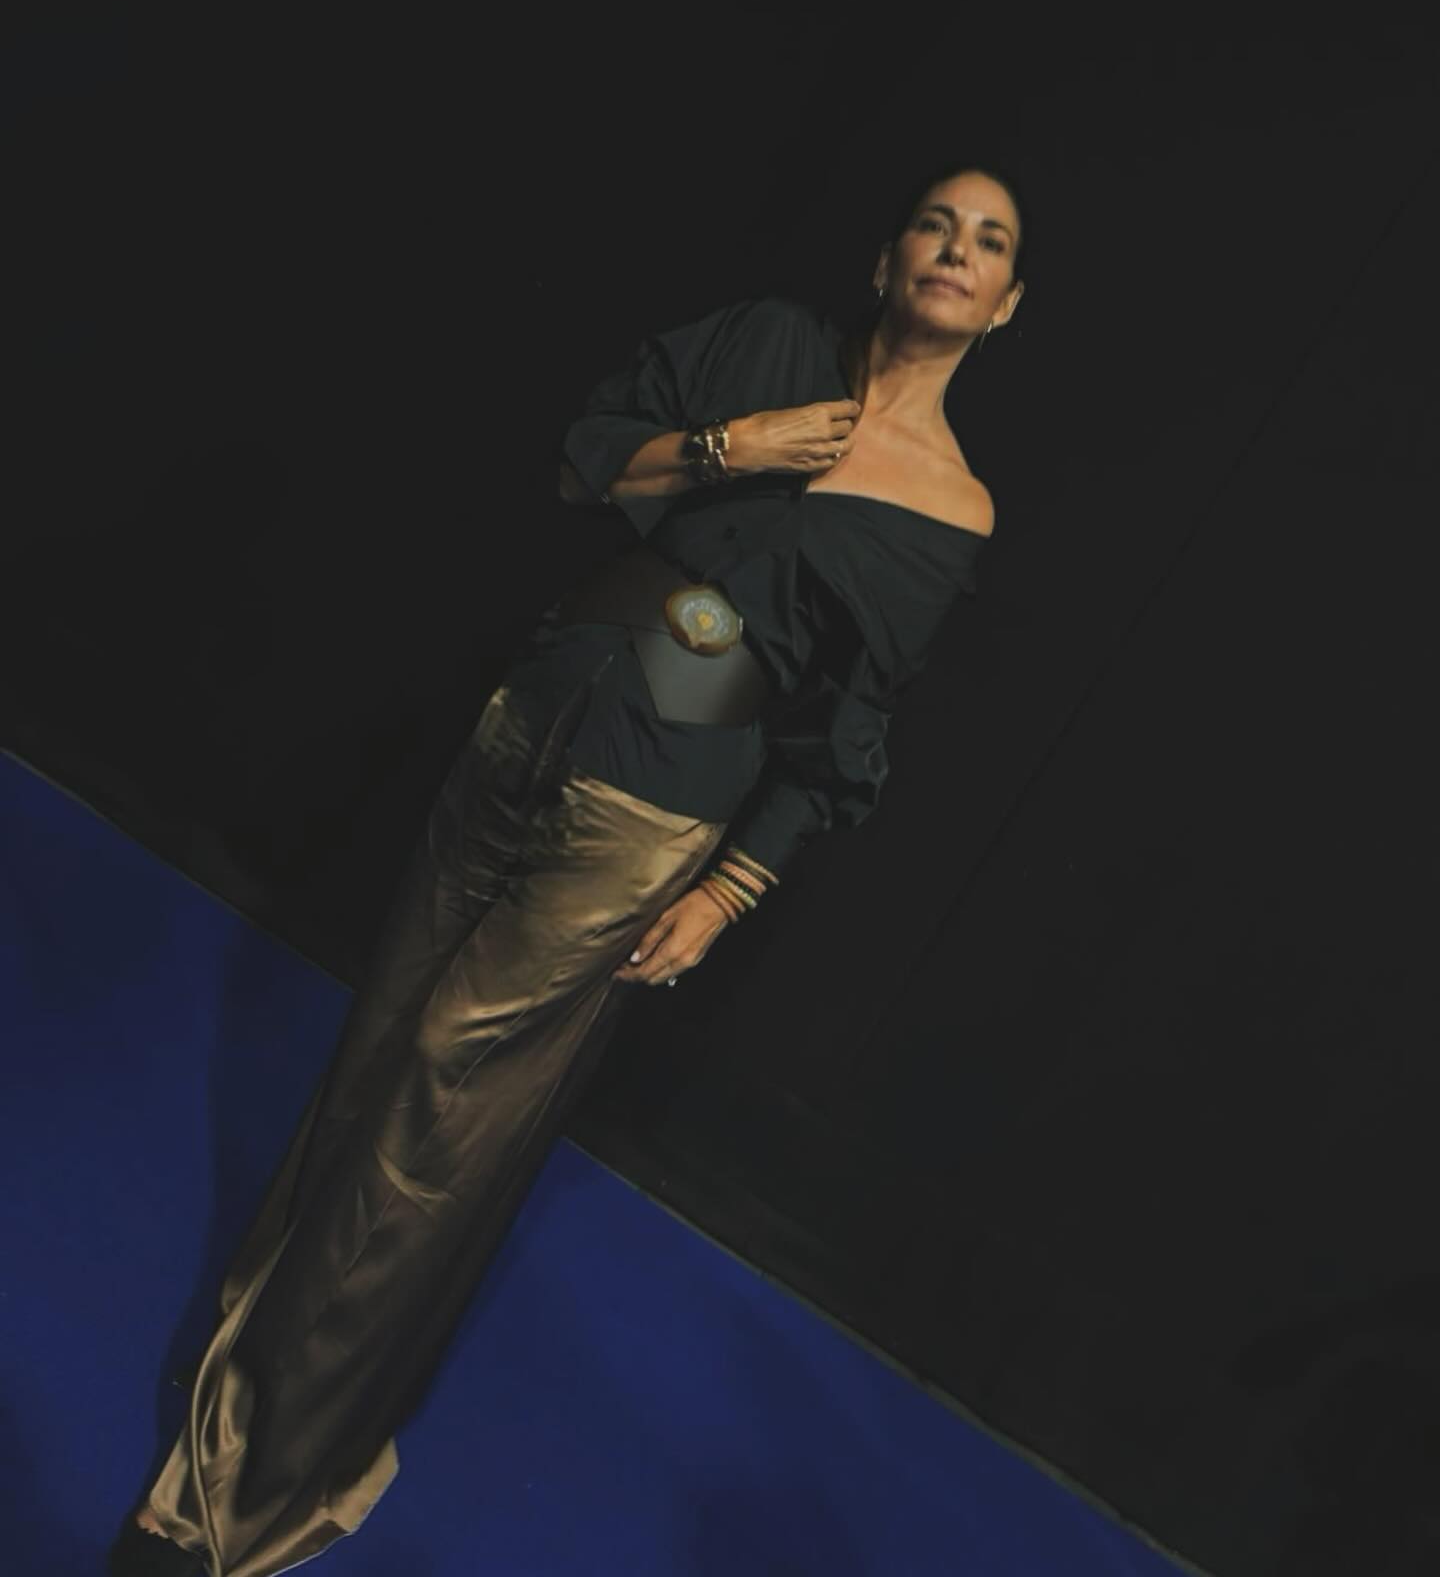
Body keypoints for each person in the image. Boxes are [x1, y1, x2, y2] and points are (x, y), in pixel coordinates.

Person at [109, 164, 1026, 1575]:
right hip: (526, 725)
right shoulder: (766, 343)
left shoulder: (951, 509)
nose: (954, 250)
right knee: (372, 1065)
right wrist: (731, 447)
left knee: (433, 1120)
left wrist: (729, 887)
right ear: (886, 254)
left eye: (989, 243)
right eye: (935, 223)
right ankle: (247, 1372)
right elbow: (587, 459)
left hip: (644, 814)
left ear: (1005, 305)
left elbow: (840, 735)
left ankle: (237, 1499)